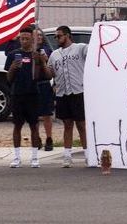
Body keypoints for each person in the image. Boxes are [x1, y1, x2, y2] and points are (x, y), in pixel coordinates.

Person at [4, 26, 49, 168]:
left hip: (33, 93)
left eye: (27, 39)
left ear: (32, 39)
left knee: (34, 125)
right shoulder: (13, 54)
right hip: (17, 93)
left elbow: (45, 75)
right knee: (17, 125)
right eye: (21, 39)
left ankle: (35, 157)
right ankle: (17, 157)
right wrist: (13, 67)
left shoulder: (37, 54)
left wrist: (41, 61)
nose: (23, 41)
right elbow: (8, 79)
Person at [44, 25, 88, 168]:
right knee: (67, 124)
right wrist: (43, 62)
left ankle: (88, 154)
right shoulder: (54, 54)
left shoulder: (80, 48)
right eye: (56, 36)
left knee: (81, 124)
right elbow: (50, 73)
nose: (57, 38)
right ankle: (67, 156)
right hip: (63, 92)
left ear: (67, 35)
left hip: (78, 91)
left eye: (59, 36)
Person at [37, 29, 55, 151]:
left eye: (40, 35)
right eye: (36, 35)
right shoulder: (29, 51)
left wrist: (45, 59)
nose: (38, 37)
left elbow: (51, 67)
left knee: (46, 114)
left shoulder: (46, 50)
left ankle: (49, 139)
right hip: (32, 85)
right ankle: (36, 138)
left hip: (44, 84)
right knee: (34, 115)